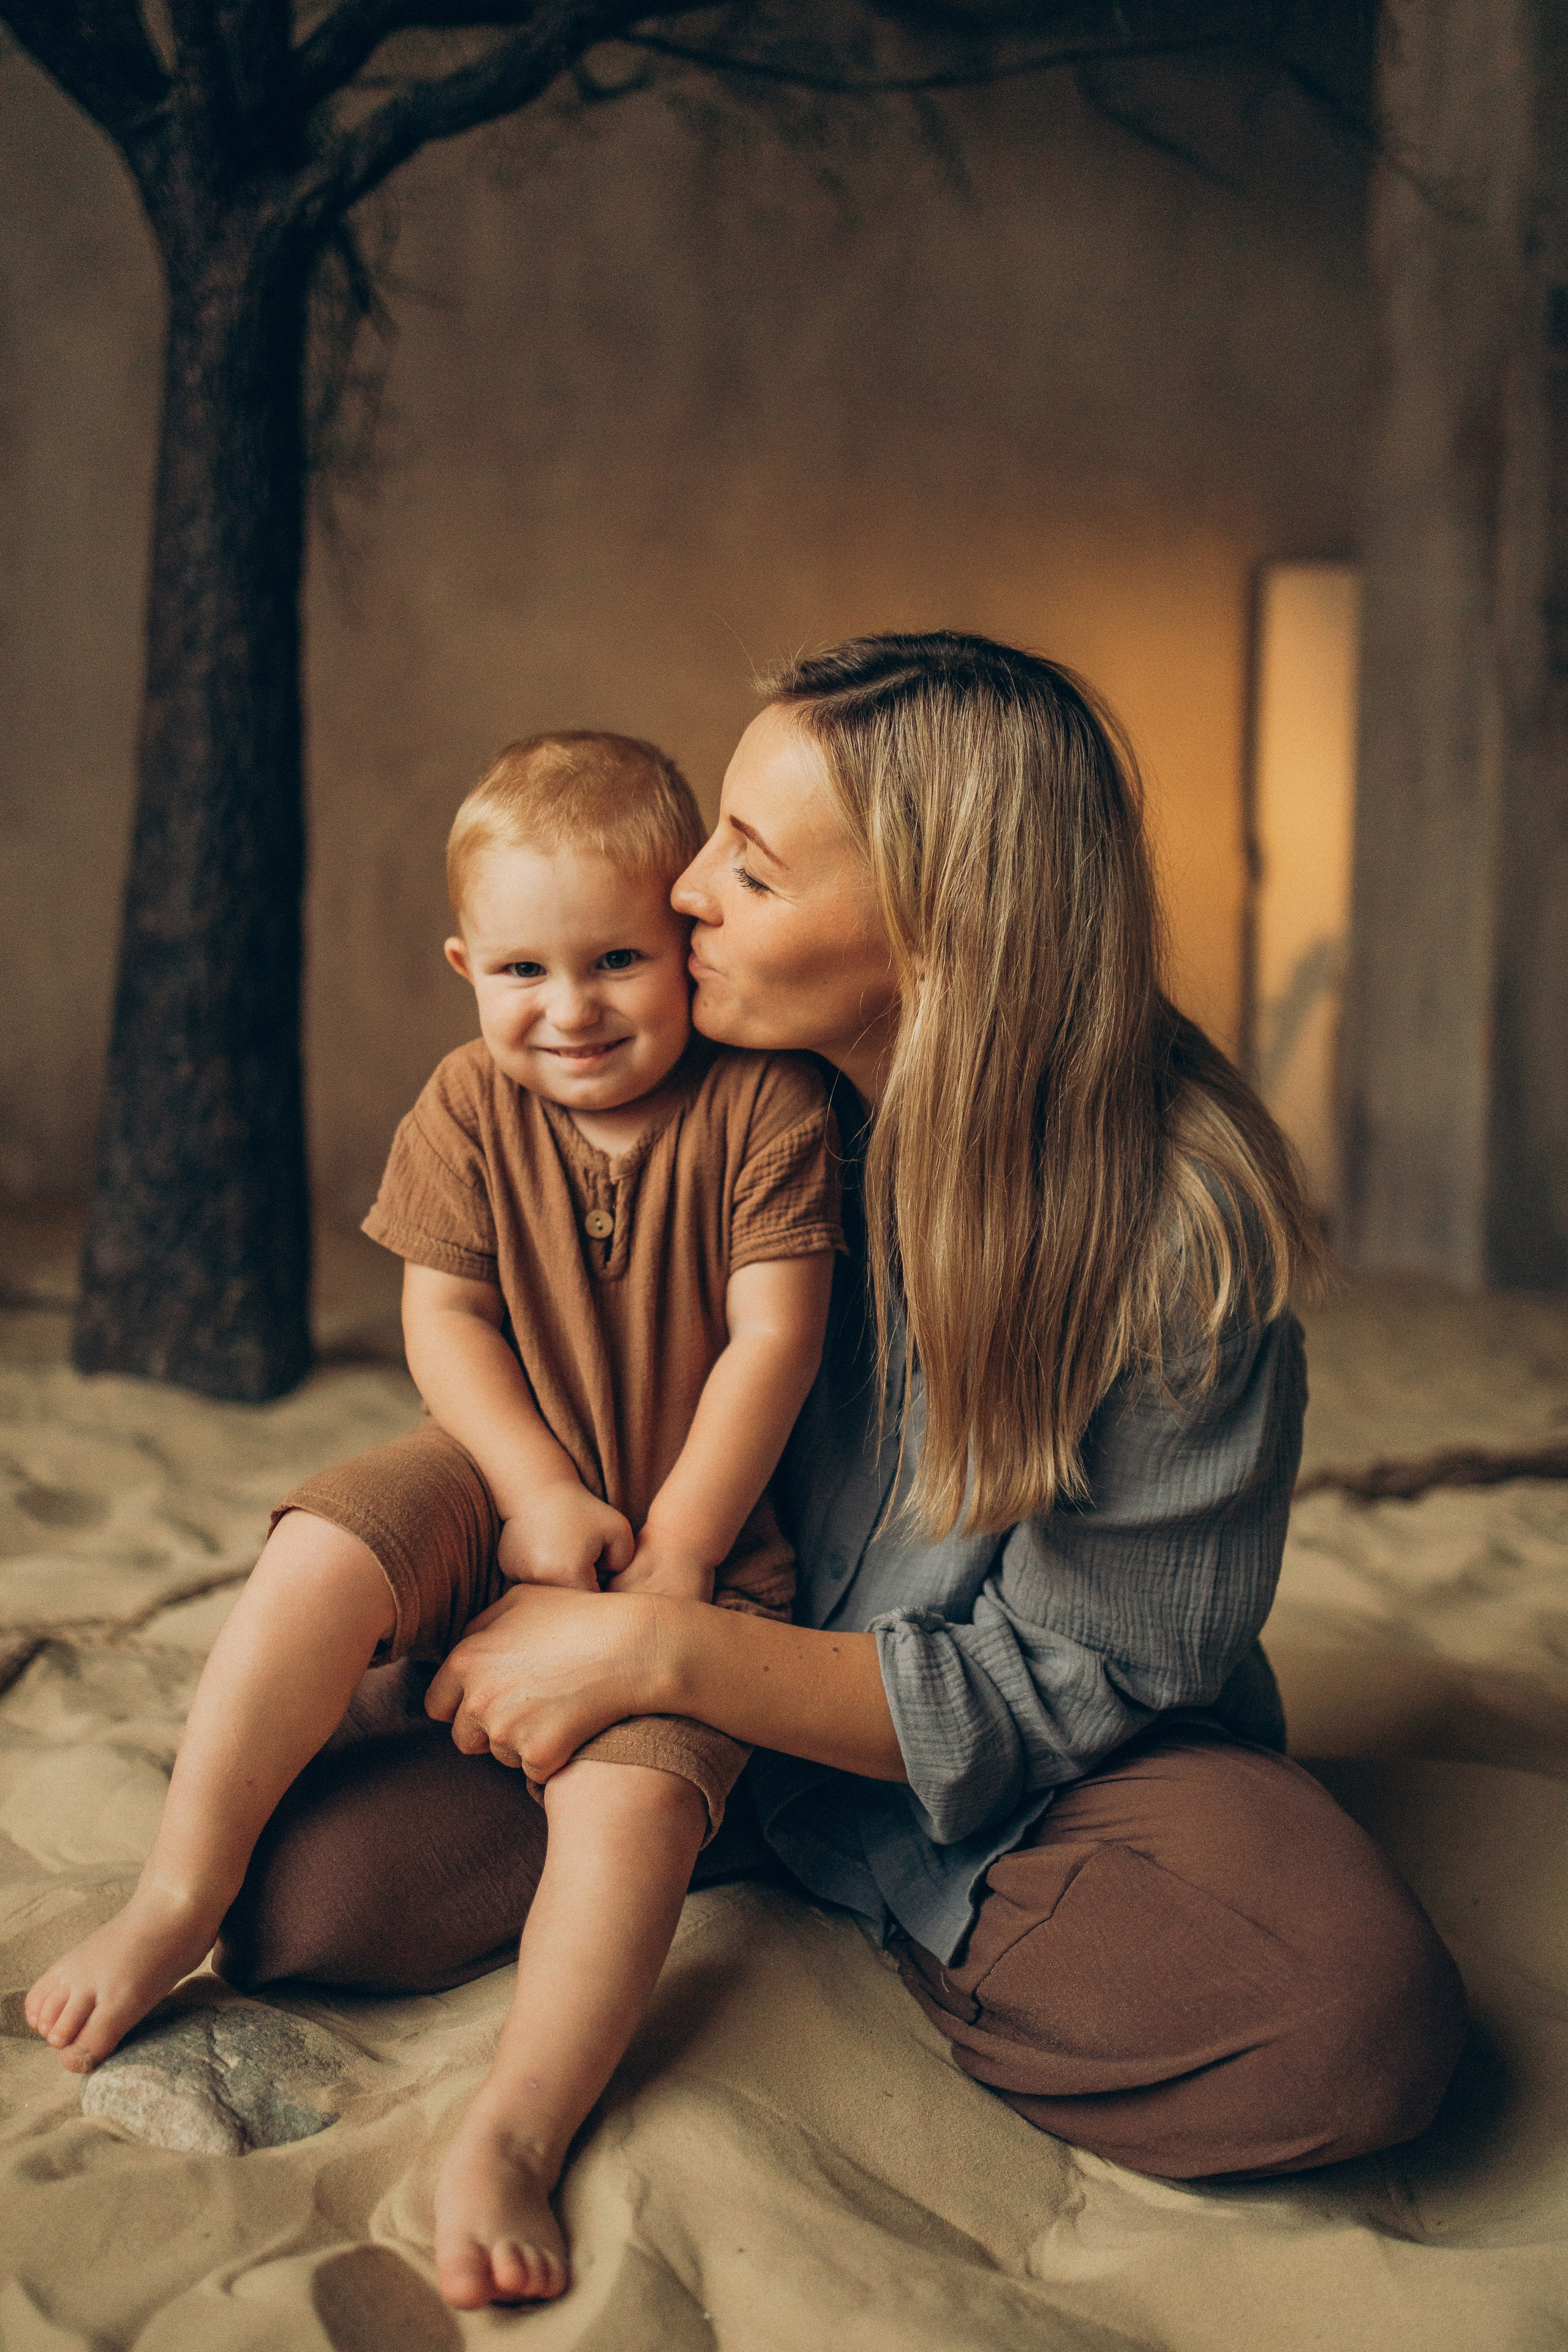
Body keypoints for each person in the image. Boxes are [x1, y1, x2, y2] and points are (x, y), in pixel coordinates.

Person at [109, 636, 1463, 2237]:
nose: (677, 896)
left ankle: (845, 1857)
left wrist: (648, 1659)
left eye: (745, 870)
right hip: (707, 1611)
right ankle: (735, 1814)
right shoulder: (718, 1065)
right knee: (305, 1901)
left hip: (1010, 1765)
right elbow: (515, 1301)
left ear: (935, 936)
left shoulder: (1176, 1228)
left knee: (1348, 2036)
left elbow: (1078, 1687)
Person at [25, 731, 842, 2310]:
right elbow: (448, 1321)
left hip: (704, 1534)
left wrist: (672, 1568)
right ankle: (174, 1895)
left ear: (687, 939)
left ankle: (515, 2132)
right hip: (495, 1472)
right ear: (466, 966)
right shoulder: (469, 1103)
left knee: (635, 1802)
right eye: (524, 969)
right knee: (319, 1544)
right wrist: (534, 1488)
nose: (573, 1006)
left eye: (617, 958)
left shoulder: (766, 1107)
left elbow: (776, 1340)